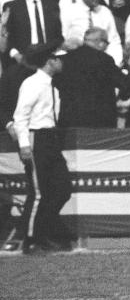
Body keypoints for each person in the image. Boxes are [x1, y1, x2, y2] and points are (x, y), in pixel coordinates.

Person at [11, 41, 75, 254]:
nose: (62, 62)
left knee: (62, 188)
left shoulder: (51, 84)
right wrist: (24, 145)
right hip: (37, 138)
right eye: (59, 58)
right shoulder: (33, 83)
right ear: (51, 60)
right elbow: (21, 116)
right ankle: (30, 240)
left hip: (50, 139)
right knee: (38, 193)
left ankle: (44, 231)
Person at [56, 28, 127, 128]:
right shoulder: (105, 60)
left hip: (70, 119)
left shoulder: (65, 59)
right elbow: (124, 84)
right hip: (99, 121)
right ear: (101, 43)